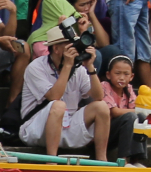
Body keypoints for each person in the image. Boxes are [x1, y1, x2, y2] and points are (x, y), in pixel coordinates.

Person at [18, 29, 115, 157]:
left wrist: (90, 67)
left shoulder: (79, 69)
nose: (74, 48)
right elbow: (54, 96)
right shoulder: (36, 67)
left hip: (68, 126)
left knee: (101, 106)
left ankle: (102, 160)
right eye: (69, 45)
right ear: (56, 49)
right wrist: (67, 66)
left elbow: (98, 96)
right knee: (59, 105)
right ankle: (51, 161)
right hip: (36, 128)